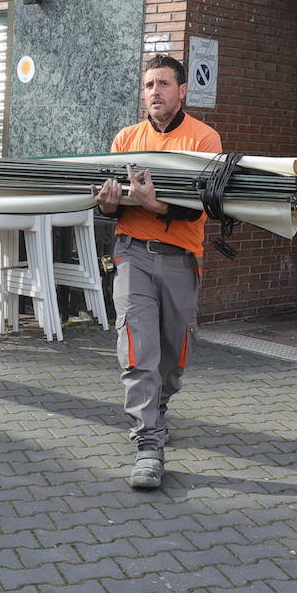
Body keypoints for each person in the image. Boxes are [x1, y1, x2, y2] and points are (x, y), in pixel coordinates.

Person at [92, 53, 221, 491]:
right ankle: (148, 441)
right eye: (149, 85)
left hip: (182, 257)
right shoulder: (126, 138)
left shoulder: (204, 139)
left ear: (182, 91)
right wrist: (108, 203)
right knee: (137, 345)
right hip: (132, 255)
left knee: (173, 351)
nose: (155, 93)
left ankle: (159, 408)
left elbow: (202, 206)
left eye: (163, 84)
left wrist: (155, 204)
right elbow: (110, 205)